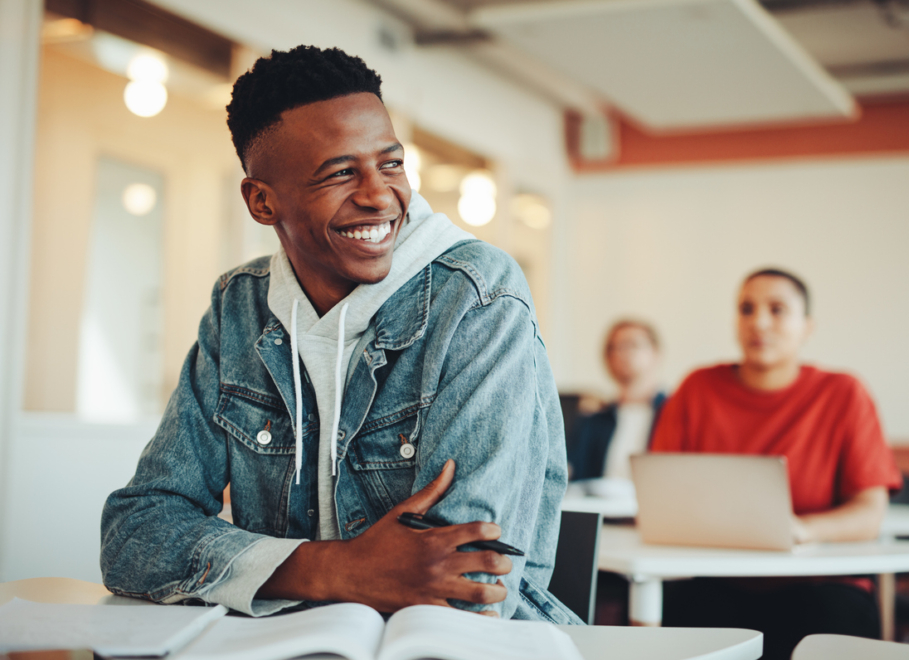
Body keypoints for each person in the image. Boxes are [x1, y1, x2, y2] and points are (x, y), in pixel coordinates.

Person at [100, 46, 578, 624]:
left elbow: (468, 584)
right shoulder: (240, 308)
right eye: (340, 172)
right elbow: (134, 534)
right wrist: (337, 568)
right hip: (284, 641)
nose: (379, 195)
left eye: (391, 164)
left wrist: (271, 569)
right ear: (261, 201)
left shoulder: (477, 294)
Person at [650, 267, 903, 660]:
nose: (759, 322)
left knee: (835, 621)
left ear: (807, 326)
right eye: (746, 309)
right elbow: (660, 494)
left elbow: (871, 512)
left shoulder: (844, 394)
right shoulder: (697, 389)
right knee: (685, 614)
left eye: (778, 309)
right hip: (719, 578)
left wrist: (805, 529)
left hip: (821, 582)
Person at [570, 319, 666, 482]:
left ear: (655, 353)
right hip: (598, 505)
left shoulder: (674, 413)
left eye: (632, 345)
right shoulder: (594, 420)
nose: (621, 353)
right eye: (613, 348)